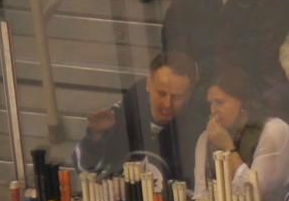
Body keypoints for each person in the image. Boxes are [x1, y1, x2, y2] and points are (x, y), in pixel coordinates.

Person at [191, 64, 289, 201]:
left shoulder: (273, 131)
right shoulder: (206, 139)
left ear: (242, 103)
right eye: (210, 104)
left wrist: (228, 148)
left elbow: (255, 196)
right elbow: (201, 195)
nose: (213, 110)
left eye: (220, 102)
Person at [75, 51, 201, 185]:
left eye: (177, 97)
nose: (167, 103)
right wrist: (95, 137)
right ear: (148, 84)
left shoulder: (197, 130)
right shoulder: (121, 116)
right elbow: (84, 171)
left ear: (189, 95)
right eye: (161, 93)